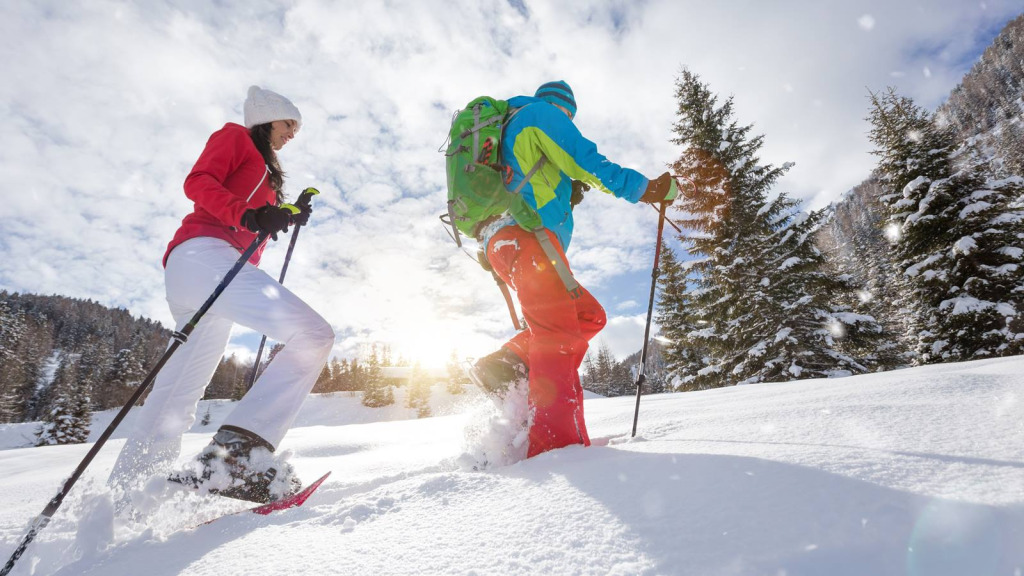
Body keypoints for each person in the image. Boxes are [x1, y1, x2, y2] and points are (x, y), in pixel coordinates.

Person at [108, 86, 335, 504]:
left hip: (205, 268)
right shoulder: (235, 137)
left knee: (178, 395)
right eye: (289, 124)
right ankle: (239, 455)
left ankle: (128, 503)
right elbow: (199, 183)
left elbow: (251, 217)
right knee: (314, 335)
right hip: (204, 255)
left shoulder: (266, 172)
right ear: (267, 118)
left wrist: (284, 213)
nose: (293, 134)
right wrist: (250, 213)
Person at [470, 80, 677, 459]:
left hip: (513, 242)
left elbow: (526, 183)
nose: (569, 121)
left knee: (587, 315)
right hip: (527, 239)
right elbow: (587, 161)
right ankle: (557, 448)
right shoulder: (541, 114)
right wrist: (647, 189)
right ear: (565, 108)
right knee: (559, 335)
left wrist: (564, 189)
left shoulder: (512, 127)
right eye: (570, 116)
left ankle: (509, 362)